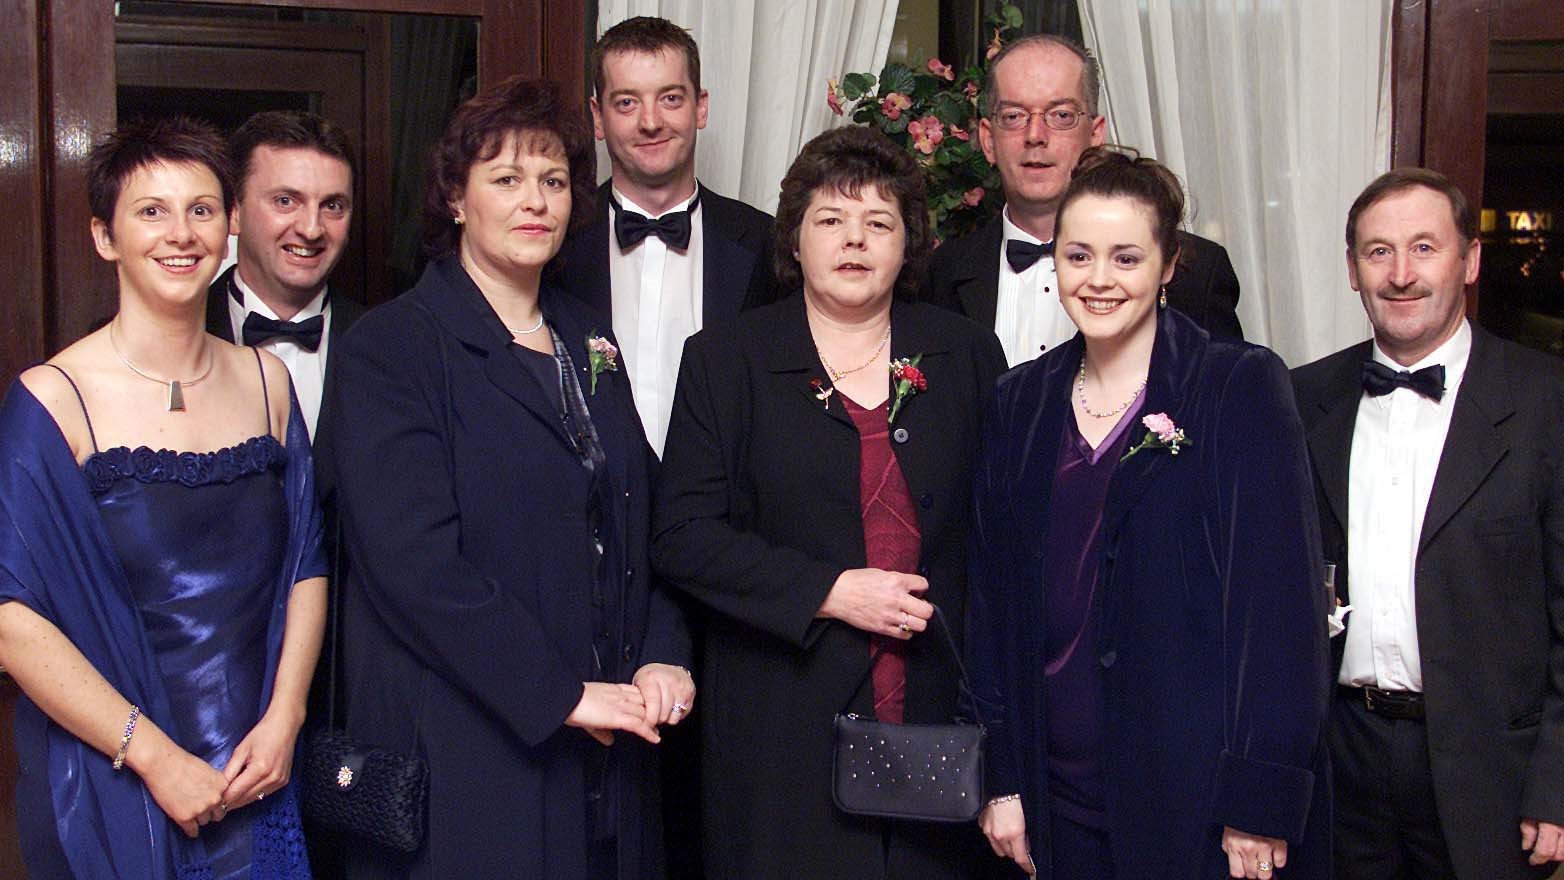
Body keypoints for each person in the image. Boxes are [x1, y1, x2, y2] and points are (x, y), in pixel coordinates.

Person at [316, 76, 693, 880]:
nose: (536, 201)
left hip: (612, 750)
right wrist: (559, 694)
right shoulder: (391, 349)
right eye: (507, 178)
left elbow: (646, 513)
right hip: (469, 752)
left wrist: (665, 653)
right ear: (456, 198)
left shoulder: (587, 337)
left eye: (553, 180)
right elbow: (414, 567)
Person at [652, 125, 1007, 879]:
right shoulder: (727, 359)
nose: (855, 240)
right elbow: (682, 534)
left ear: (909, 244)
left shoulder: (967, 354)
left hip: (938, 724)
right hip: (782, 731)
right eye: (831, 220)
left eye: (879, 222)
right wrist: (830, 591)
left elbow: (1001, 539)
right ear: (795, 239)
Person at [967, 147, 1329, 879]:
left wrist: (1257, 800)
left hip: (1195, 798)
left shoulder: (1236, 385)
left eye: (1126, 258)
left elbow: (1279, 610)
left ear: (1169, 267)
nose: (1099, 279)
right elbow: (992, 604)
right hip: (1050, 795)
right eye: (1079, 255)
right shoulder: (1019, 400)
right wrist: (1000, 778)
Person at [0, 117, 326, 879]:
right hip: (115, 773)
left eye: (201, 209)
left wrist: (286, 718)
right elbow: (11, 618)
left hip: (257, 769)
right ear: (104, 236)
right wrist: (155, 757)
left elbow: (307, 564)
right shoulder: (52, 400)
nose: (181, 234)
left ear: (230, 226)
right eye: (152, 211)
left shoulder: (268, 382)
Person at [1291, 167, 1564, 879]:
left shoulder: (1546, 403)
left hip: (1491, 774)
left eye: (1424, 248)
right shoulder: (1301, 397)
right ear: (1352, 270)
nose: (1401, 275)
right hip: (1340, 760)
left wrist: (1557, 784)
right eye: (1379, 252)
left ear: (1469, 261)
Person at [921, 35, 1242, 367]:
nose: (1035, 135)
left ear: (1096, 134)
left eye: (1061, 115)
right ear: (988, 141)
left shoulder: (1194, 273)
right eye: (1014, 116)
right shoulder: (943, 272)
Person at [556, 15, 776, 457]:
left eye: (670, 98)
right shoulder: (556, 242)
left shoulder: (763, 242)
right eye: (627, 103)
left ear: (700, 107)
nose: (651, 122)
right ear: (597, 117)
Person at [206, 110, 364, 440]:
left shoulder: (388, 344)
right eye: (285, 201)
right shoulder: (177, 334)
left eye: (332, 206)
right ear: (233, 212)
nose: (311, 229)